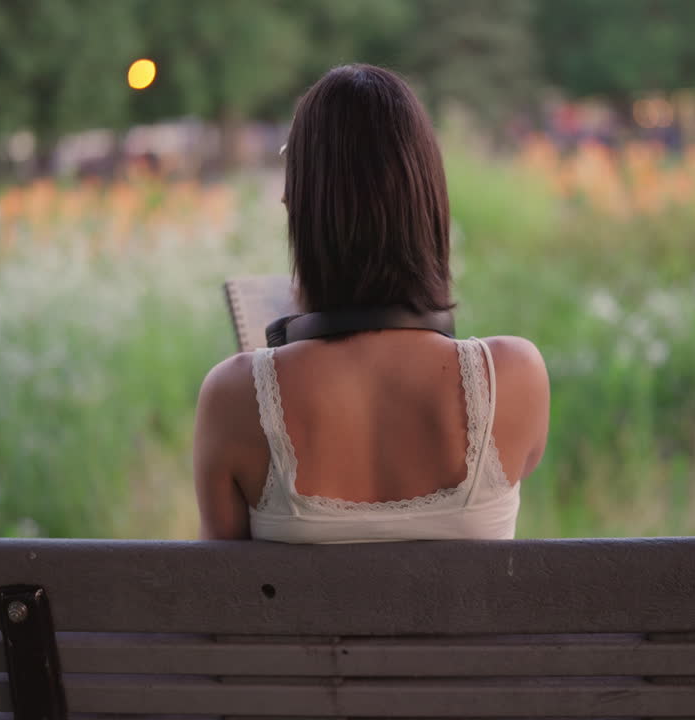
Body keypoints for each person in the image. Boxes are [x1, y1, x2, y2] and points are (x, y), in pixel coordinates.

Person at [193, 64, 550, 542]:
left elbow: (219, 599)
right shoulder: (514, 376)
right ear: (426, 200)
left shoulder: (234, 397)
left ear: (300, 210)